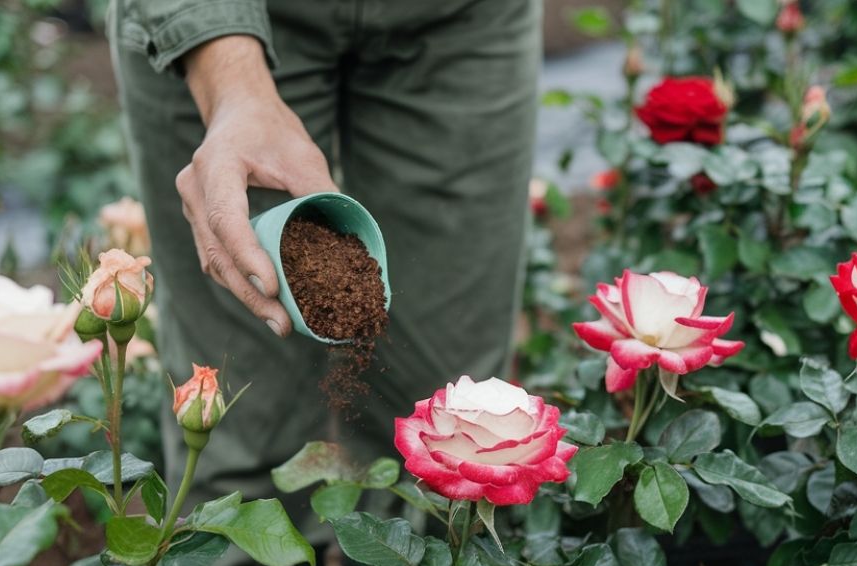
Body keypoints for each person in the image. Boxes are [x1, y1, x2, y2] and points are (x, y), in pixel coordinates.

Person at [108, 0, 541, 511]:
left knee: (451, 425)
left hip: (455, 20)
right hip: (230, 21)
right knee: (245, 429)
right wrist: (230, 84)